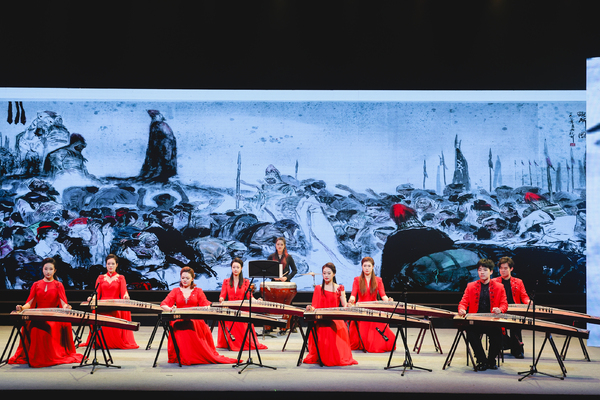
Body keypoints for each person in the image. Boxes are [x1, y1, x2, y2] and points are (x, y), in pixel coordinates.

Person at [8, 258, 84, 367]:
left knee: (48, 327)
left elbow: (63, 304)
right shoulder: (36, 284)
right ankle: (36, 357)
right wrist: (22, 307)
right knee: (34, 327)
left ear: (55, 270)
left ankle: (47, 357)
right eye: (46, 269)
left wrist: (67, 307)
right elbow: (29, 303)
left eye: (51, 269)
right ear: (42, 269)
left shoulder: (58, 285)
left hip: (53, 316)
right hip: (38, 315)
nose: (48, 272)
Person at [160, 266, 237, 365]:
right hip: (180, 320)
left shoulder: (198, 291)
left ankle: (194, 356)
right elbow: (163, 304)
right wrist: (170, 309)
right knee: (181, 328)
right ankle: (186, 356)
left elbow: (206, 304)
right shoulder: (175, 291)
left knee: (193, 326)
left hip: (195, 320)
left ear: (192, 278)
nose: (184, 280)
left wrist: (208, 308)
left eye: (187, 278)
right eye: (183, 278)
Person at [303, 262, 357, 367]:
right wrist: (310, 308)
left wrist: (349, 305)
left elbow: (344, 305)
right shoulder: (318, 288)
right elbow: (315, 306)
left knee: (338, 328)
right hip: (321, 319)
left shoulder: (339, 288)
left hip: (335, 318)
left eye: (329, 273)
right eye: (324, 273)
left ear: (334, 274)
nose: (326, 275)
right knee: (323, 329)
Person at [458, 258, 508, 371]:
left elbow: (504, 304)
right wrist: (462, 309)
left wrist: (500, 310)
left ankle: (491, 360)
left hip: (492, 321)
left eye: (485, 270)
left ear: (491, 272)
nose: (482, 272)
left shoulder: (499, 287)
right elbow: (463, 302)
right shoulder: (471, 286)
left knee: (498, 335)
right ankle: (481, 360)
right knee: (471, 333)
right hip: (476, 321)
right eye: (480, 270)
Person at [81, 254, 138, 349]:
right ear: (106, 265)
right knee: (97, 315)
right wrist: (92, 298)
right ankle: (99, 341)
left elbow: (124, 292)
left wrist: (126, 296)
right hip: (102, 306)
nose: (110, 266)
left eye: (113, 264)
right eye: (108, 264)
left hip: (115, 306)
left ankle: (113, 342)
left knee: (113, 316)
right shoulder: (100, 278)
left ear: (116, 265)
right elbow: (97, 293)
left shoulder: (121, 278)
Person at [217, 258, 268, 351]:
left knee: (243, 319)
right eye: (233, 267)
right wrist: (221, 300)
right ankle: (232, 342)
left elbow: (250, 296)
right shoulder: (226, 281)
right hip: (230, 309)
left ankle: (241, 343)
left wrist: (257, 300)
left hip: (241, 308)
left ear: (241, 268)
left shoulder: (245, 282)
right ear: (231, 268)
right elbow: (222, 295)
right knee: (228, 318)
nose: (235, 269)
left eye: (237, 267)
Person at [347, 256, 396, 352]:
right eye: (365, 266)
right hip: (361, 308)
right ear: (362, 267)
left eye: (369, 266)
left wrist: (388, 300)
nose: (367, 268)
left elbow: (383, 295)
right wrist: (350, 301)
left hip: (374, 307)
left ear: (373, 267)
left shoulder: (378, 280)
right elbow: (353, 295)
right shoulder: (357, 280)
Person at [492, 256, 530, 359]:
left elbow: (524, 296)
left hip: (514, 310)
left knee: (516, 327)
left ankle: (517, 350)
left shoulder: (518, 282)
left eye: (505, 268)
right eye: (501, 268)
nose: (503, 270)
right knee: (497, 328)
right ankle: (502, 346)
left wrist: (528, 302)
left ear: (511, 269)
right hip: (499, 310)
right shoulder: (494, 281)